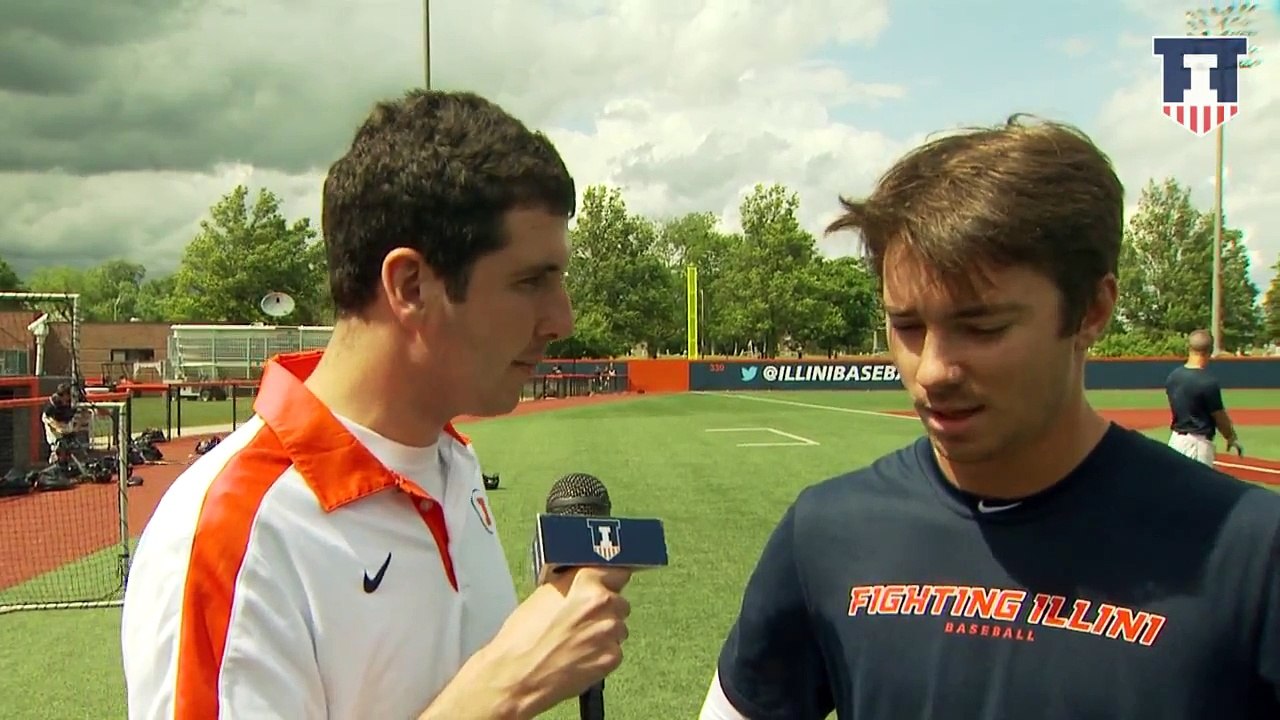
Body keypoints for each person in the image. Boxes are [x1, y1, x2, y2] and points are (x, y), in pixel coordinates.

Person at [699, 115, 1280, 719]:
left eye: (982, 327)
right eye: (907, 326)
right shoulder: (827, 531)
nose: (932, 370)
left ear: (1091, 310)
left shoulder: (1252, 552)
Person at [121, 90, 633, 720]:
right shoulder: (235, 534)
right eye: (530, 281)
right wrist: (503, 691)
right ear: (411, 286)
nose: (563, 317)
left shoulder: (452, 464)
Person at [1165, 328, 1243, 465]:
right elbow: (1220, 417)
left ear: (1189, 348)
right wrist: (1231, 437)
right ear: (1209, 351)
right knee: (1199, 485)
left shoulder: (1173, 376)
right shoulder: (1207, 382)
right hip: (1197, 444)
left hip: (1176, 440)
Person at [40, 382, 76, 463]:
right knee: (58, 444)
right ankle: (55, 461)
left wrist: (75, 427)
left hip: (65, 422)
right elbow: (47, 418)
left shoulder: (72, 401)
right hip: (54, 422)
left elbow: (82, 413)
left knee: (68, 444)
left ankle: (66, 462)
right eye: (67, 395)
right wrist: (58, 427)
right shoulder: (53, 403)